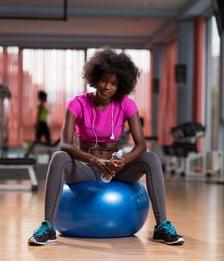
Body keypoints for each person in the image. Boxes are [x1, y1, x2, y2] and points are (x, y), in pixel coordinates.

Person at [28, 48, 185, 246]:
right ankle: (48, 226)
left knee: (151, 158)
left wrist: (123, 161)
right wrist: (94, 160)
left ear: (121, 86)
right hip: (86, 167)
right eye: (104, 80)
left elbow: (141, 145)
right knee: (59, 157)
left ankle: (162, 226)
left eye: (114, 84)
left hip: (115, 167)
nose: (107, 87)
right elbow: (65, 144)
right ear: (95, 78)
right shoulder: (77, 103)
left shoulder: (126, 104)